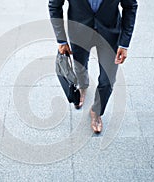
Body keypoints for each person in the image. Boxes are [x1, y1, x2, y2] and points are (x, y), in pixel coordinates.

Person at [49, 0, 138, 133]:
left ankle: (96, 112)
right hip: (79, 32)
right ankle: (82, 86)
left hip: (110, 35)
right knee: (80, 65)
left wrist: (124, 44)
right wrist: (61, 40)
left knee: (107, 80)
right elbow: (54, 5)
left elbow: (130, 7)